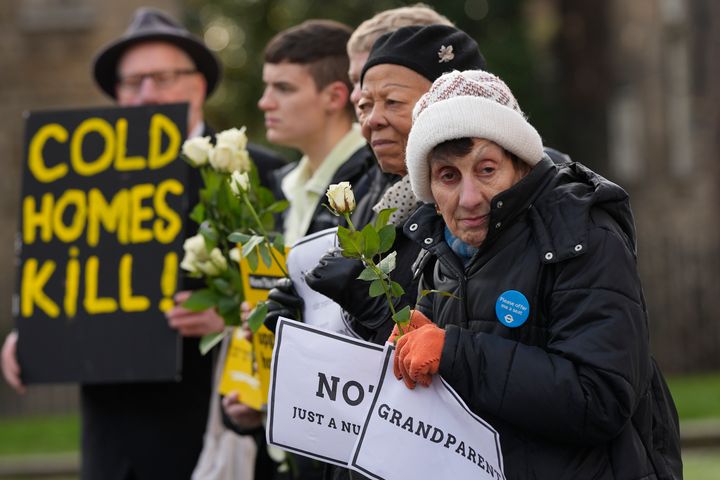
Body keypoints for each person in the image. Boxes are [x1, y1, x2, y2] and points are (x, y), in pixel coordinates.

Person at [1, 8, 284, 480]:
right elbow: (65, 273)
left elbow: (278, 295)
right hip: (112, 439)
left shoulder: (254, 172)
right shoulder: (81, 174)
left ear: (199, 85)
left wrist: (231, 319)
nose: (147, 93)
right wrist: (35, 331)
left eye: (162, 77)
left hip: (211, 431)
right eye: (132, 83)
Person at [391, 69, 683, 479]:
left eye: (487, 169)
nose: (470, 197)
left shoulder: (582, 234)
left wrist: (454, 352)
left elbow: (599, 397)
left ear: (521, 165)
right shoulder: (436, 255)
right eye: (448, 176)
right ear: (430, 191)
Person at [259, 19, 375, 246]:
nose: (265, 102)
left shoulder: (375, 180)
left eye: (283, 88)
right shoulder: (285, 181)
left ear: (334, 97)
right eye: (267, 86)